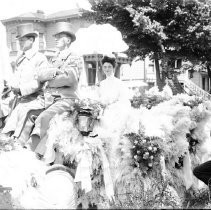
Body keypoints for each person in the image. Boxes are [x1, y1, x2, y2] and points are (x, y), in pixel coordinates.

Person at [29, 21, 84, 157]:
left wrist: (49, 80)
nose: (56, 39)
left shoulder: (74, 56)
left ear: (68, 40)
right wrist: (54, 72)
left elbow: (69, 79)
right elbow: (40, 74)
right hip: (50, 99)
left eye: (59, 36)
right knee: (28, 111)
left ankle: (35, 153)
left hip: (67, 99)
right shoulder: (54, 58)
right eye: (56, 37)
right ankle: (23, 143)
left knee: (44, 117)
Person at [0, 23, 48, 143]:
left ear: (31, 40)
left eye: (23, 40)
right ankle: (6, 136)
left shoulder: (40, 58)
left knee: (22, 111)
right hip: (19, 97)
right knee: (4, 108)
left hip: (35, 98)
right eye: (19, 40)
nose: (20, 43)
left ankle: (16, 141)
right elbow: (16, 78)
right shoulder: (20, 58)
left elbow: (39, 83)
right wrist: (10, 87)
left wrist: (21, 89)